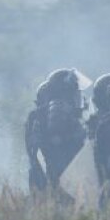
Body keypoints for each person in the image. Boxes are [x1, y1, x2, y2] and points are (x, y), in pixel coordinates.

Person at [25, 69, 87, 199]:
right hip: (58, 176)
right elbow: (58, 146)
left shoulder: (42, 114)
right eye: (73, 92)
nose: (77, 96)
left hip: (53, 177)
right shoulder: (56, 112)